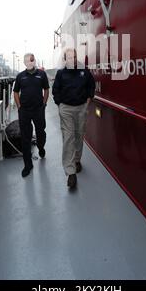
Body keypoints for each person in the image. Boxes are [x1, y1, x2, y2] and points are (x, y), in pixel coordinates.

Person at [52, 48, 95, 188]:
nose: (72, 59)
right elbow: (55, 90)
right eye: (69, 57)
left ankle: (77, 160)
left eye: (74, 57)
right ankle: (71, 173)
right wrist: (60, 104)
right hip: (66, 109)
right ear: (65, 59)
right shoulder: (61, 73)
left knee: (79, 135)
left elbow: (91, 85)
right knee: (69, 137)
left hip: (81, 108)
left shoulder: (84, 71)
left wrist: (88, 101)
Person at [13, 53, 49, 178]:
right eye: (27, 61)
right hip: (25, 111)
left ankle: (41, 147)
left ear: (34, 62)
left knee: (41, 133)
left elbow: (46, 89)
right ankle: (28, 165)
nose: (30, 63)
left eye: (31, 61)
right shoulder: (20, 76)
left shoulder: (41, 74)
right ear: (24, 63)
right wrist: (19, 107)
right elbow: (16, 92)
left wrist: (44, 104)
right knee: (25, 138)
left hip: (38, 110)